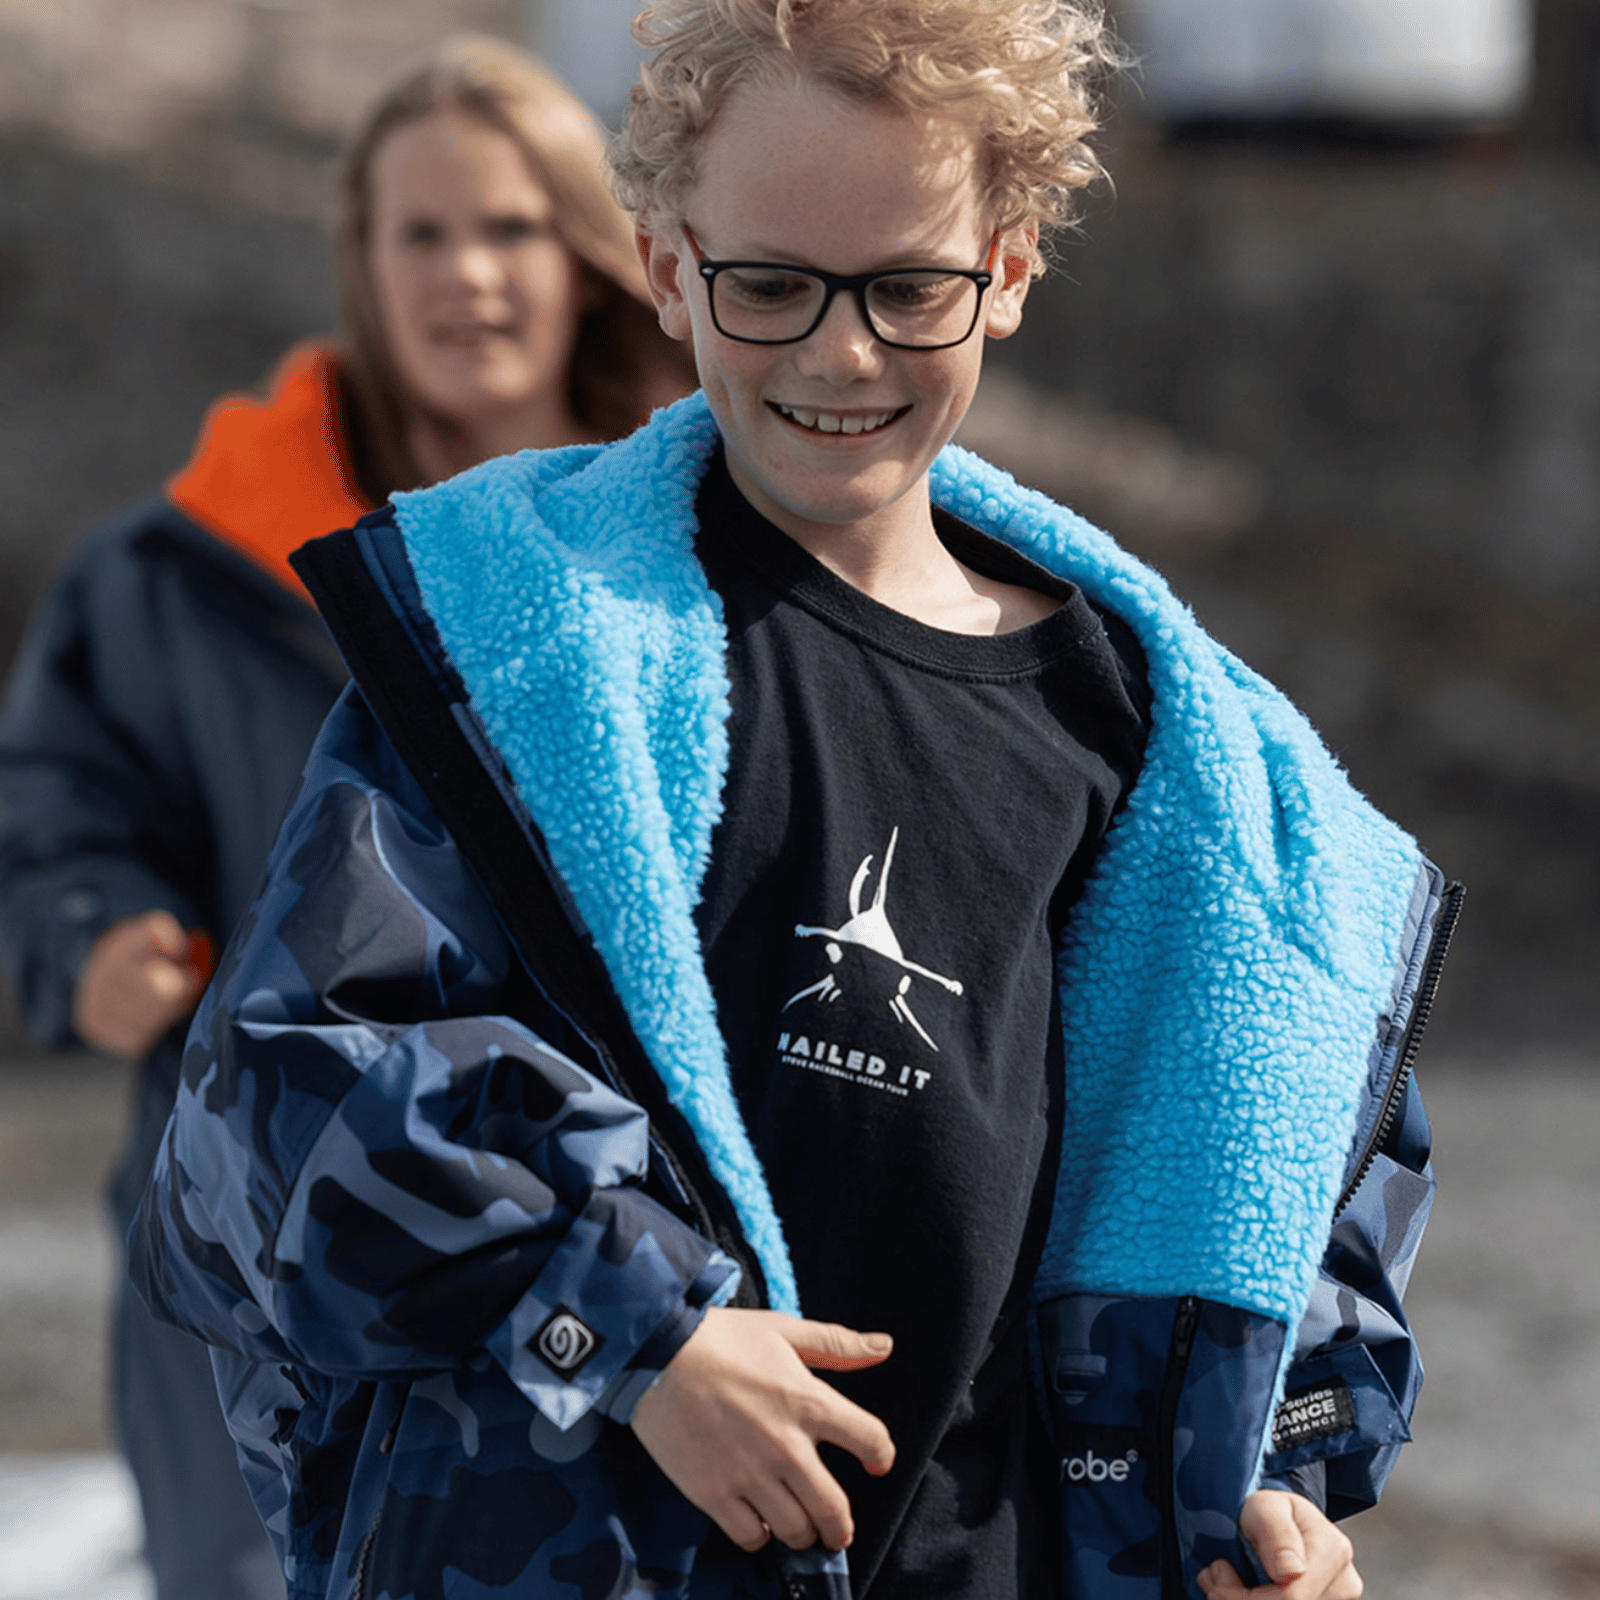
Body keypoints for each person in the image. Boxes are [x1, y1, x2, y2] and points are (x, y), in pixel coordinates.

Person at [128, 2, 1461, 1597]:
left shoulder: (1171, 760)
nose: (843, 352)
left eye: (910, 288)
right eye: (769, 286)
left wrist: (1277, 1489)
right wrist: (632, 1332)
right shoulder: (521, 658)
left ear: (1009, 269)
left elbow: (1277, 1183)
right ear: (664, 265)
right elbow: (277, 1093)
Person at [0, 33, 691, 1600]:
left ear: (585, 255)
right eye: (421, 233)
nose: (469, 275)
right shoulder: (177, 572)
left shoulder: (693, 560)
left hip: (612, 1249)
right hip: (262, 1248)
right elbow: (51, 802)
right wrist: (88, 932)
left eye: (510, 226)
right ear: (361, 265)